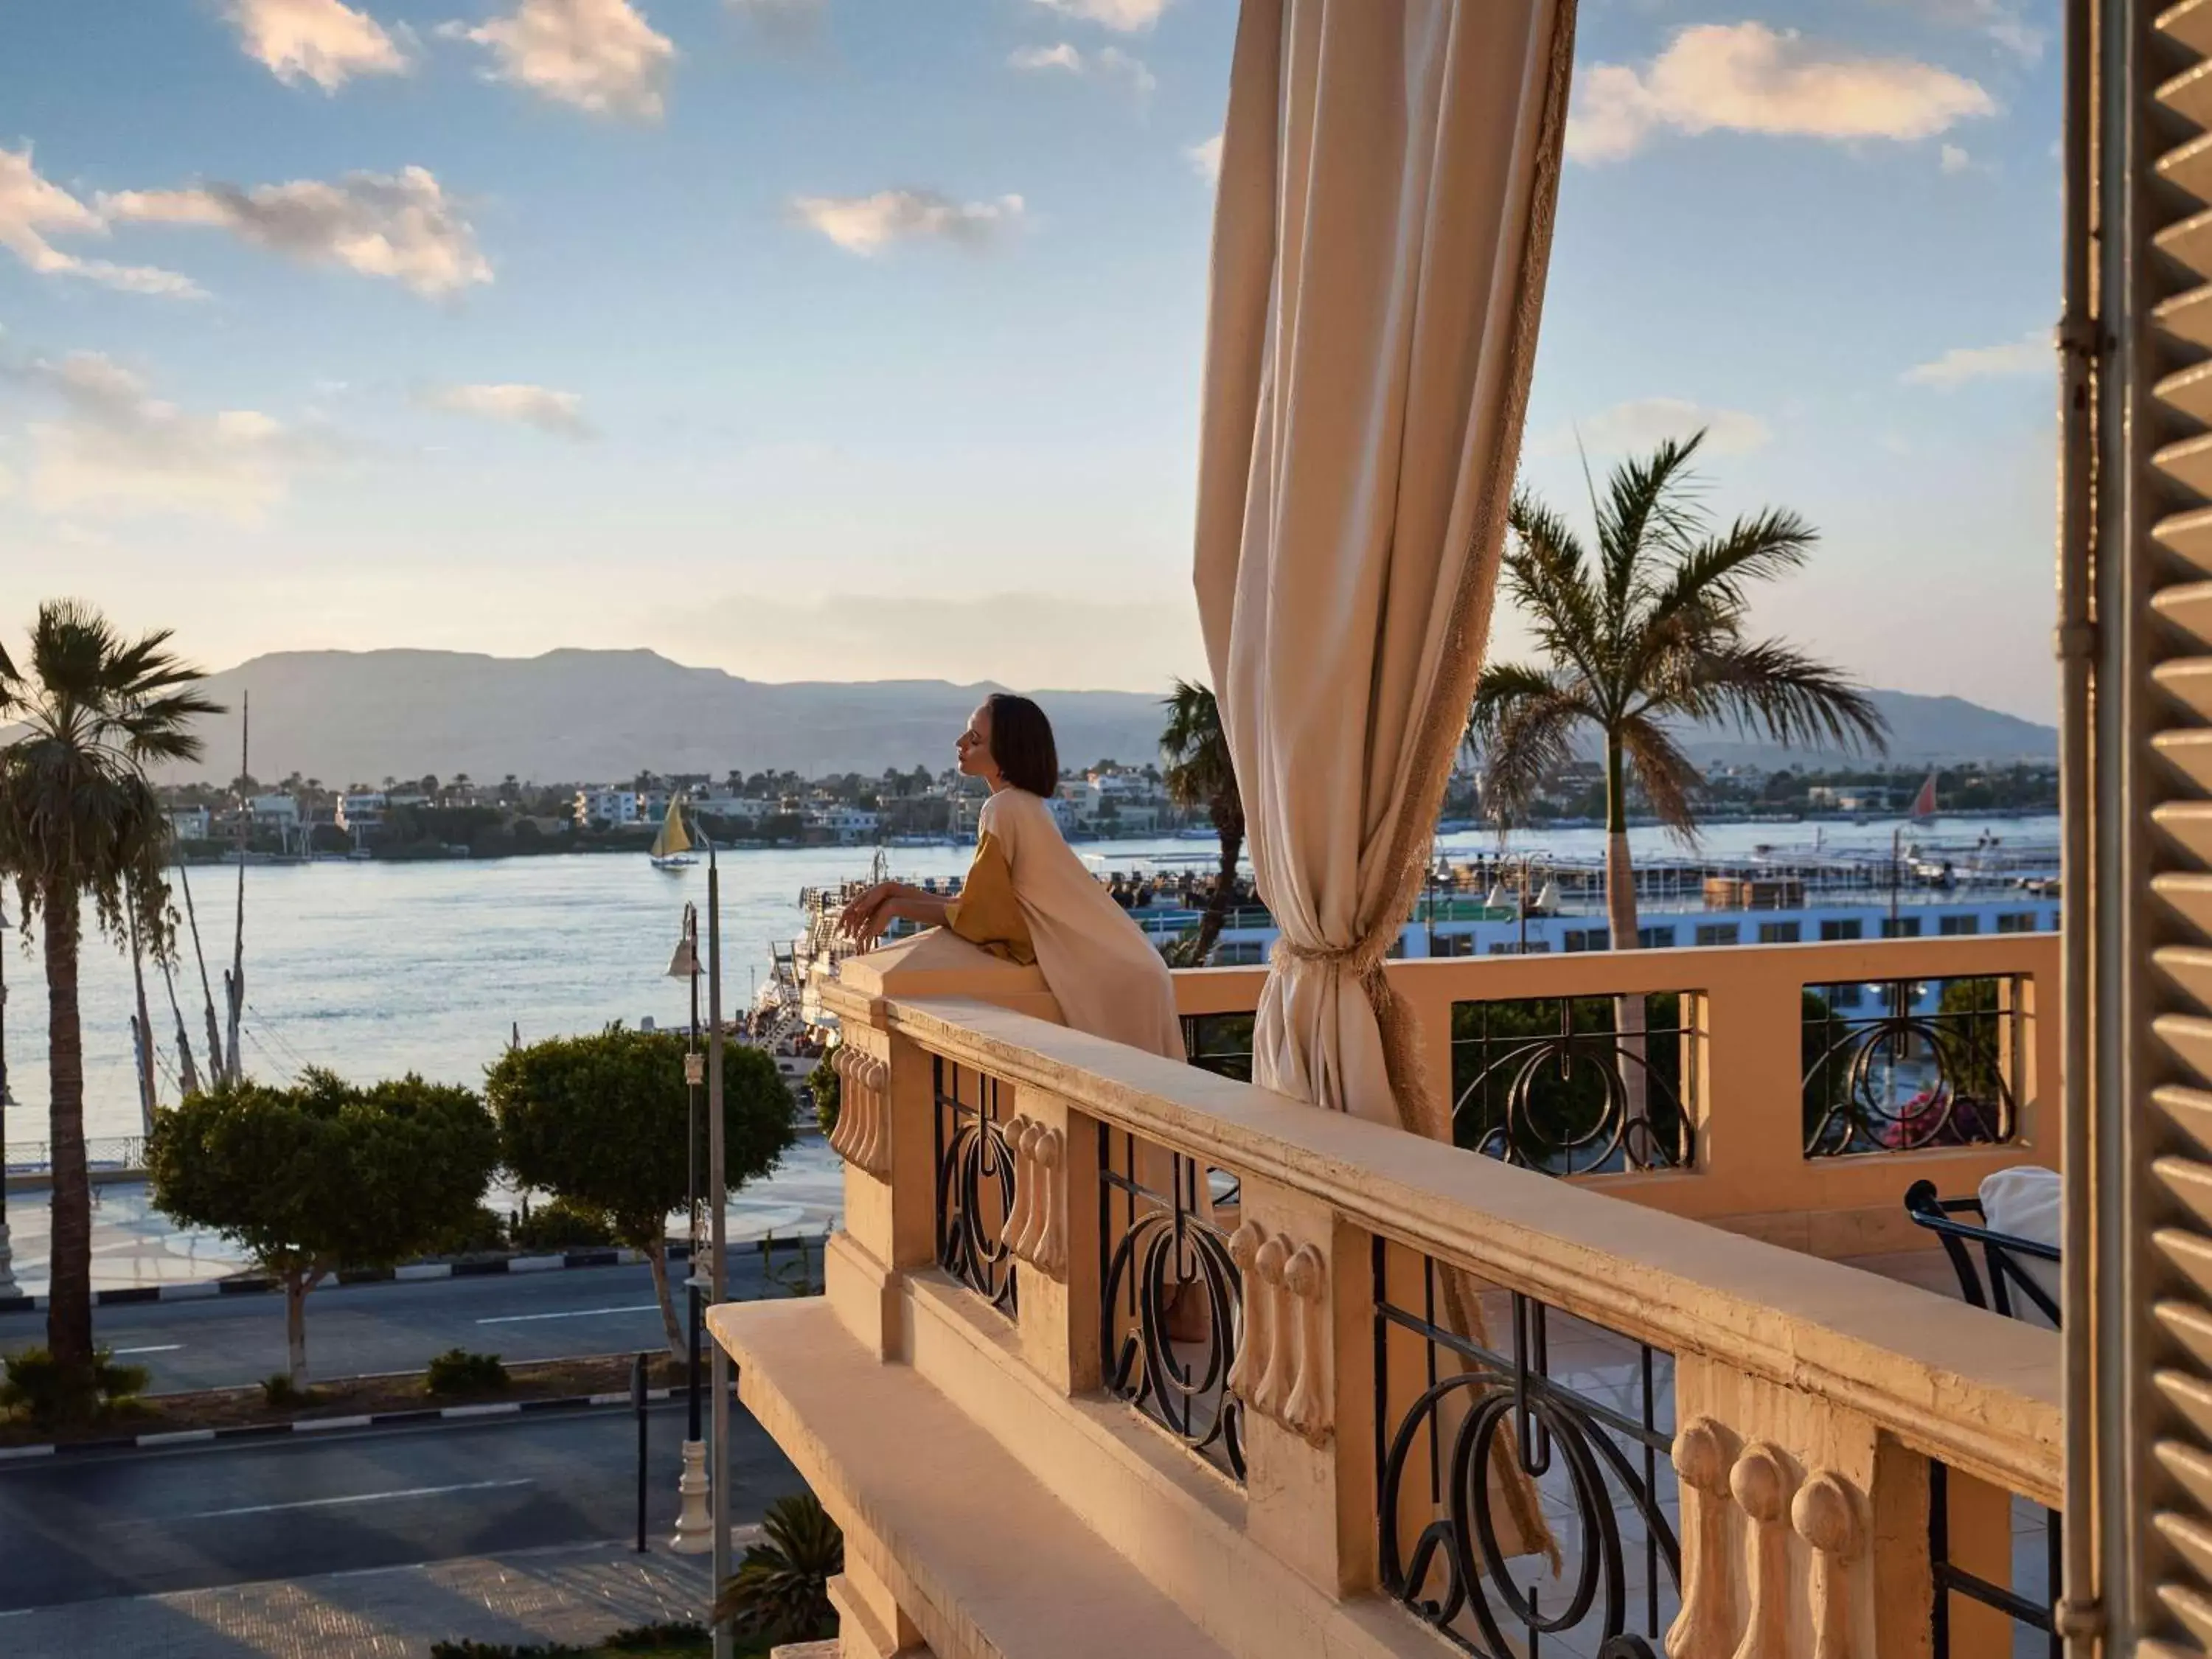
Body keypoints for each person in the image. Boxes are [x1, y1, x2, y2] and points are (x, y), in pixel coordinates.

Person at [835, 694, 1185, 1063]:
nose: (961, 744)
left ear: (1007, 750)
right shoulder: (1025, 806)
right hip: (1131, 967)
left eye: (975, 738)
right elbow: (984, 907)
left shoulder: (1003, 809)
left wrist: (900, 905)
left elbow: (985, 919)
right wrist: (892, 893)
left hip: (1112, 974)